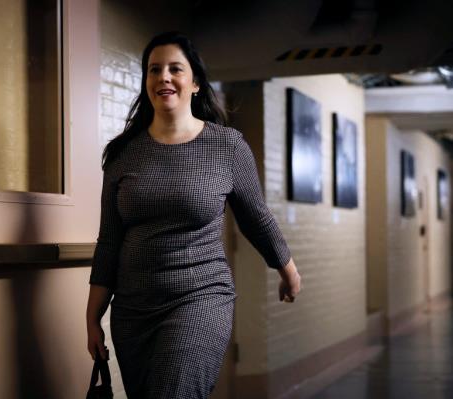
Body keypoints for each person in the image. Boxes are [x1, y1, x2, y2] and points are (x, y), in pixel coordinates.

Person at [86, 31, 301, 399]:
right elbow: (109, 240)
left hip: (199, 298)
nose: (164, 77)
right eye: (154, 70)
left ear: (196, 82)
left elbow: (256, 216)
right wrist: (92, 318)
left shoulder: (227, 145)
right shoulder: (123, 154)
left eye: (175, 69)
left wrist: (288, 270)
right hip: (134, 310)